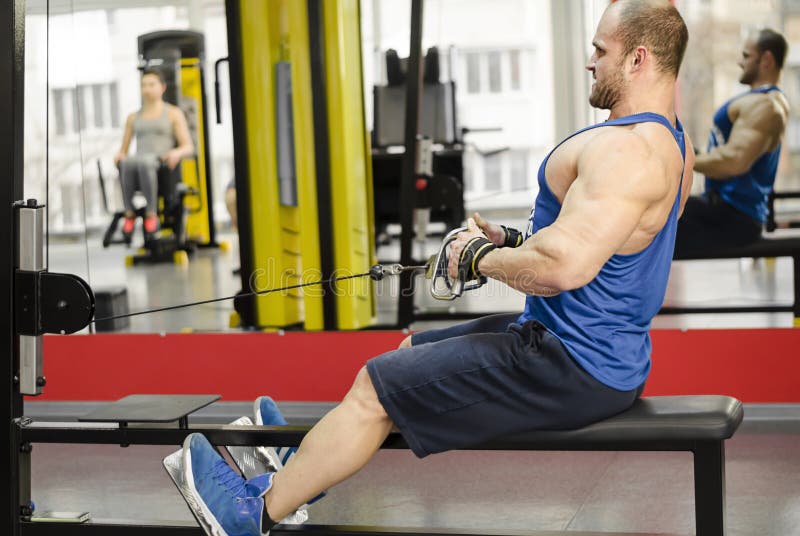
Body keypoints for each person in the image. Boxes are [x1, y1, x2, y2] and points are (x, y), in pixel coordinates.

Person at [175, 1, 693, 534]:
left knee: (377, 387)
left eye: (599, 51)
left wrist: (477, 257)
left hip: (570, 362)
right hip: (589, 348)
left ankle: (248, 514)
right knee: (407, 353)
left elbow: (563, 267)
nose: (590, 62)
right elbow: (609, 243)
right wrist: (512, 241)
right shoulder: (672, 141)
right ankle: (304, 471)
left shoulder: (630, 152)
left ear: (637, 59)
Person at [674, 29, 789, 257]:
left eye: (747, 56)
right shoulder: (758, 101)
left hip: (734, 217)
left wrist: (684, 155)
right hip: (725, 211)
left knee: (655, 221)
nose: (740, 62)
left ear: (766, 59)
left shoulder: (766, 106)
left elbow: (734, 161)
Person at [113, 68, 194, 237]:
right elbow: (124, 151)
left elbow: (188, 146)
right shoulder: (133, 117)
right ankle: (129, 213)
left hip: (162, 165)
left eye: (151, 85)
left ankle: (151, 214)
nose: (147, 89)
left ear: (162, 87)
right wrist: (119, 156)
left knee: (145, 162)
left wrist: (176, 153)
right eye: (144, 85)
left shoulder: (173, 113)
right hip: (138, 165)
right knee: (128, 162)